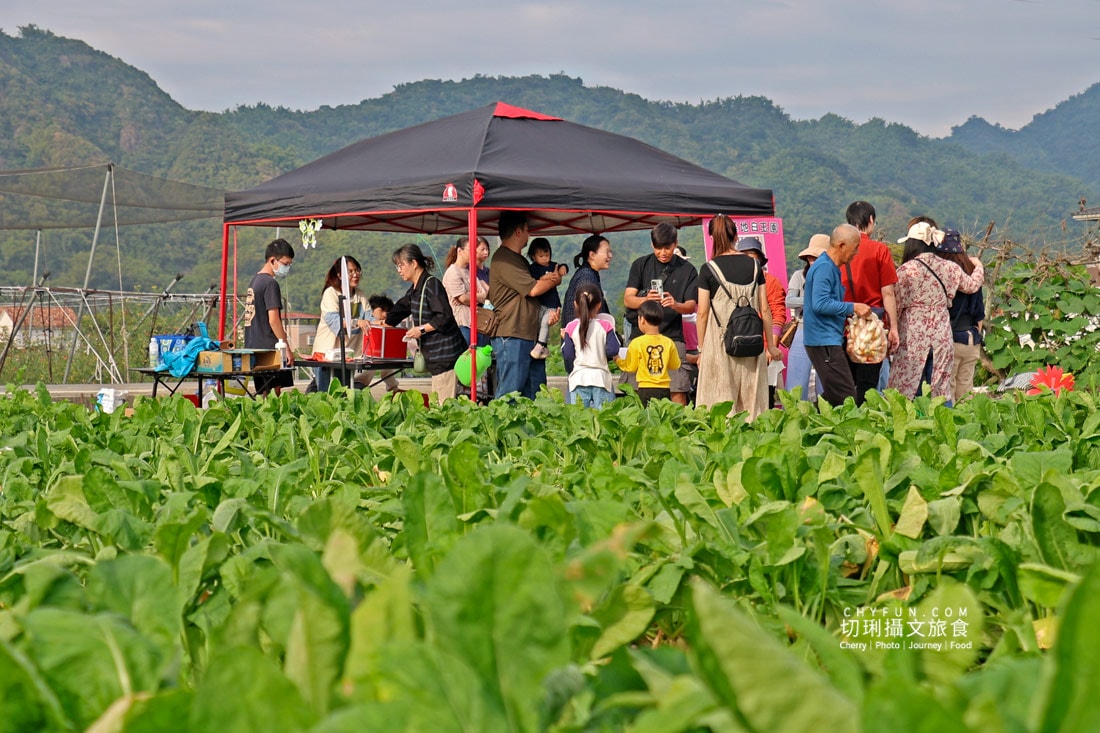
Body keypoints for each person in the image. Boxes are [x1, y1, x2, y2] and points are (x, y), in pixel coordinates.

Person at [695, 215, 782, 419]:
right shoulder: (755, 266)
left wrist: (702, 350)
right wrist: (771, 345)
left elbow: (702, 313)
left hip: (719, 344)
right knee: (752, 401)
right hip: (752, 342)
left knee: (720, 402)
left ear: (712, 237)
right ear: (736, 236)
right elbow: (765, 309)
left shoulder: (708, 269)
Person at [887, 224, 984, 400]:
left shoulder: (906, 271)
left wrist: (894, 328)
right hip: (942, 337)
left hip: (913, 339)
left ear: (912, 244)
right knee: (940, 393)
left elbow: (897, 305)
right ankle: (942, 417)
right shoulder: (950, 268)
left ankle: (915, 417)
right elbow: (972, 286)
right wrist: (978, 267)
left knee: (908, 391)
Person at [488, 212, 562, 400]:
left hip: (529, 333)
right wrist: (555, 279)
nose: (529, 235)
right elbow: (534, 289)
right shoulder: (503, 259)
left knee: (534, 393)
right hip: (512, 333)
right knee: (510, 393)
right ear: (518, 232)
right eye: (527, 230)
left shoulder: (519, 260)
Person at [623, 223, 697, 405]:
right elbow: (628, 299)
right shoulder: (640, 265)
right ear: (652, 244)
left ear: (675, 243)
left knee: (677, 388)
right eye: (658, 248)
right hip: (641, 335)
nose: (663, 253)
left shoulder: (688, 270)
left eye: (667, 248)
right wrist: (646, 299)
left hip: (672, 336)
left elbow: (690, 306)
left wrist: (675, 304)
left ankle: (679, 422)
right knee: (636, 389)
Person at [384, 243, 466, 403]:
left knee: (444, 404)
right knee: (438, 402)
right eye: (397, 266)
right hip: (434, 358)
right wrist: (385, 323)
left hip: (445, 356)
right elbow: (402, 306)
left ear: (414, 263)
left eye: (401, 265)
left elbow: (444, 316)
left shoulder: (431, 284)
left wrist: (420, 330)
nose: (399, 270)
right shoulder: (416, 288)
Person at [804, 224, 873, 406]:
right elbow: (820, 304)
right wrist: (853, 307)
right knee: (846, 398)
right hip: (823, 341)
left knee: (834, 395)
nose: (856, 252)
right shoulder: (824, 268)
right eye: (855, 247)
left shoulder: (830, 267)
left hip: (827, 340)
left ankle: (806, 419)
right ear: (841, 245)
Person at [841, 201, 900, 403]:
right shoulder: (879, 250)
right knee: (867, 386)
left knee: (847, 385)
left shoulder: (840, 250)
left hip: (844, 326)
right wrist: (893, 328)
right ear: (871, 219)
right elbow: (888, 293)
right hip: (873, 328)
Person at [735, 236, 787, 407]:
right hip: (737, 346)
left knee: (765, 397)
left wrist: (772, 345)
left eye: (750, 254)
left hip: (763, 347)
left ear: (759, 258)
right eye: (742, 255)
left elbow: (778, 314)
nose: (747, 259)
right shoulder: (732, 283)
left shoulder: (771, 282)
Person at [244, 237, 296, 396]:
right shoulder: (270, 284)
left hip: (254, 346)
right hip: (270, 348)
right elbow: (274, 320)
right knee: (274, 393)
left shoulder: (255, 281)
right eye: (285, 264)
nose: (286, 268)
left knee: (263, 393)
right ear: (273, 260)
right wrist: (286, 348)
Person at [312, 255, 372, 392]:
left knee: (344, 393)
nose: (355, 274)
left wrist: (383, 322)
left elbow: (370, 319)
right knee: (326, 394)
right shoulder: (331, 293)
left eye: (357, 270)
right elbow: (334, 321)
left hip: (349, 356)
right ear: (339, 275)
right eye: (350, 271)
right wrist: (357, 322)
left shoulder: (361, 295)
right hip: (327, 356)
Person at [785, 234, 830, 400]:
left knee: (826, 382)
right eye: (810, 256)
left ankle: (827, 412)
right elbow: (789, 301)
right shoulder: (799, 276)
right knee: (796, 382)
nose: (812, 260)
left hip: (826, 332)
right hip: (803, 330)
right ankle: (795, 412)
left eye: (816, 257)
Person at [562, 283, 620, 408]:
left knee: (579, 417)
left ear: (576, 304)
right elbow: (613, 349)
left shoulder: (571, 327)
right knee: (604, 416)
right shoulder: (606, 326)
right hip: (601, 378)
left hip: (578, 378)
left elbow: (568, 354)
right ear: (599, 305)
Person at [945, 232, 985, 403]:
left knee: (948, 389)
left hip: (951, 338)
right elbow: (979, 312)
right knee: (966, 390)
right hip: (971, 339)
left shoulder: (945, 273)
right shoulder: (973, 272)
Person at [615, 300, 681, 406]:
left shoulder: (637, 343)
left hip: (645, 388)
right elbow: (675, 365)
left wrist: (618, 360)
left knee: (648, 414)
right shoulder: (669, 342)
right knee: (662, 414)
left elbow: (630, 367)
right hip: (664, 388)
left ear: (642, 320)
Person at [442, 236, 490, 346]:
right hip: (464, 325)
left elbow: (485, 295)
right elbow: (463, 299)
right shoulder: (453, 272)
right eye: (471, 250)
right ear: (460, 251)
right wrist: (472, 296)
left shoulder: (470, 271)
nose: (474, 254)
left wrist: (469, 295)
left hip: (478, 323)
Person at [526, 237, 569, 359]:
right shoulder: (533, 268)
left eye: (547, 255)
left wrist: (563, 269)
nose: (545, 258)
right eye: (541, 256)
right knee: (539, 323)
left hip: (552, 303)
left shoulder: (552, 265)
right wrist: (544, 278)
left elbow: (562, 266)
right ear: (533, 256)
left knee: (545, 323)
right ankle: (542, 346)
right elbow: (533, 282)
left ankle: (540, 345)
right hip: (539, 304)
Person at [562, 234, 613, 325]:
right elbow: (586, 311)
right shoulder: (586, 277)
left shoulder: (587, 274)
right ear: (592, 255)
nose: (610, 256)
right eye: (607, 252)